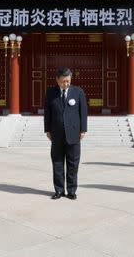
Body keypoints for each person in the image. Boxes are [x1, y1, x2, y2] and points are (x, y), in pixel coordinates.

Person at [44, 67, 88, 200]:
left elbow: (83, 112)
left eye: (68, 81)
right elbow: (47, 113)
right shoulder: (51, 93)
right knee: (57, 162)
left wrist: (83, 129)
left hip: (74, 133)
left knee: (73, 163)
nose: (66, 84)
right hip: (56, 134)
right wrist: (47, 129)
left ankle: (72, 190)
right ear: (57, 80)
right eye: (63, 81)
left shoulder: (78, 92)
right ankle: (59, 190)